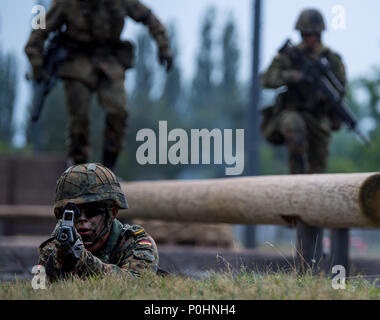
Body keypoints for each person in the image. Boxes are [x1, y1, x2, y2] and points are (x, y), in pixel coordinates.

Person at [25, 0, 173, 170]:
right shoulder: (65, 2)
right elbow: (39, 30)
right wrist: (37, 64)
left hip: (109, 60)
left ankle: (108, 171)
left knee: (118, 111)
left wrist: (164, 46)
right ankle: (79, 170)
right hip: (77, 60)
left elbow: (148, 16)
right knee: (79, 118)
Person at [260, 9, 348, 273]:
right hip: (292, 115)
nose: (310, 38)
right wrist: (295, 77)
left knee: (318, 185)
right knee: (292, 125)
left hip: (318, 121)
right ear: (300, 33)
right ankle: (296, 184)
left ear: (320, 34)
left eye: (314, 34)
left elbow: (340, 89)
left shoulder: (331, 59)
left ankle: (312, 257)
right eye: (306, 34)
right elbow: (267, 80)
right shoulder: (288, 56)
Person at [37, 163, 159, 281]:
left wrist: (82, 260)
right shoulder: (56, 245)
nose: (82, 219)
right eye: (75, 212)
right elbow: (41, 288)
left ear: (113, 213)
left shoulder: (134, 243)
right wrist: (59, 260)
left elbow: (135, 283)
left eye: (92, 211)